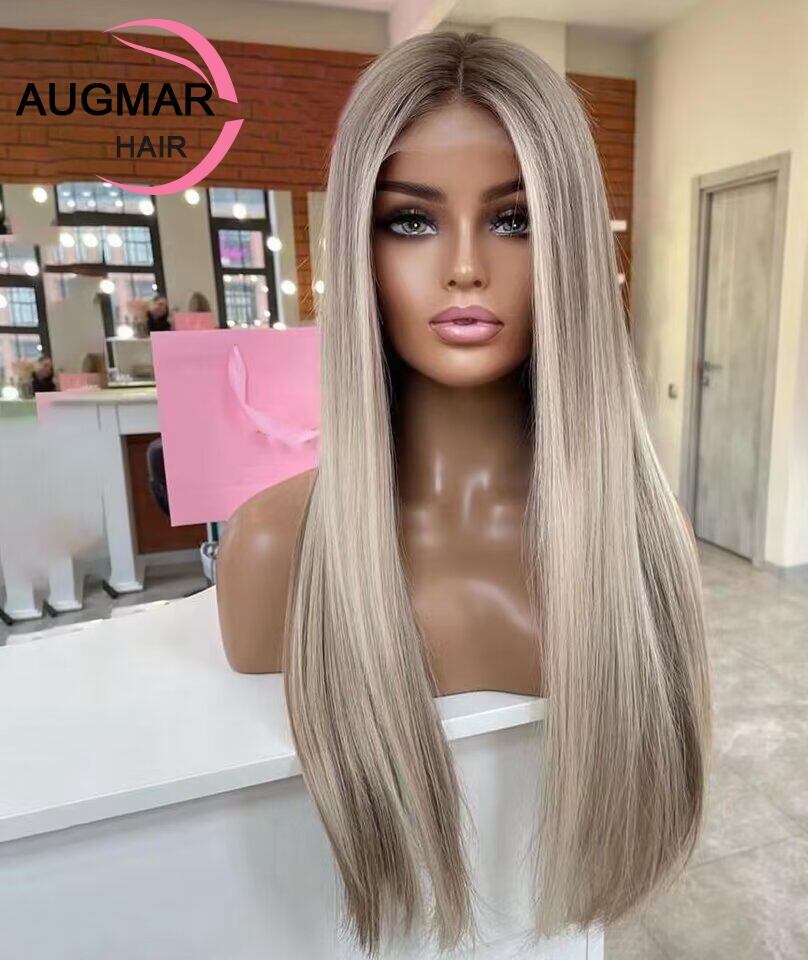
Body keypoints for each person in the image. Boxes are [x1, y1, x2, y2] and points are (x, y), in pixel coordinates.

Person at [215, 32, 711, 958]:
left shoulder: (646, 545)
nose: (465, 266)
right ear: (359, 250)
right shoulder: (275, 547)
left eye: (514, 220)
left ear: (568, 247)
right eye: (412, 221)